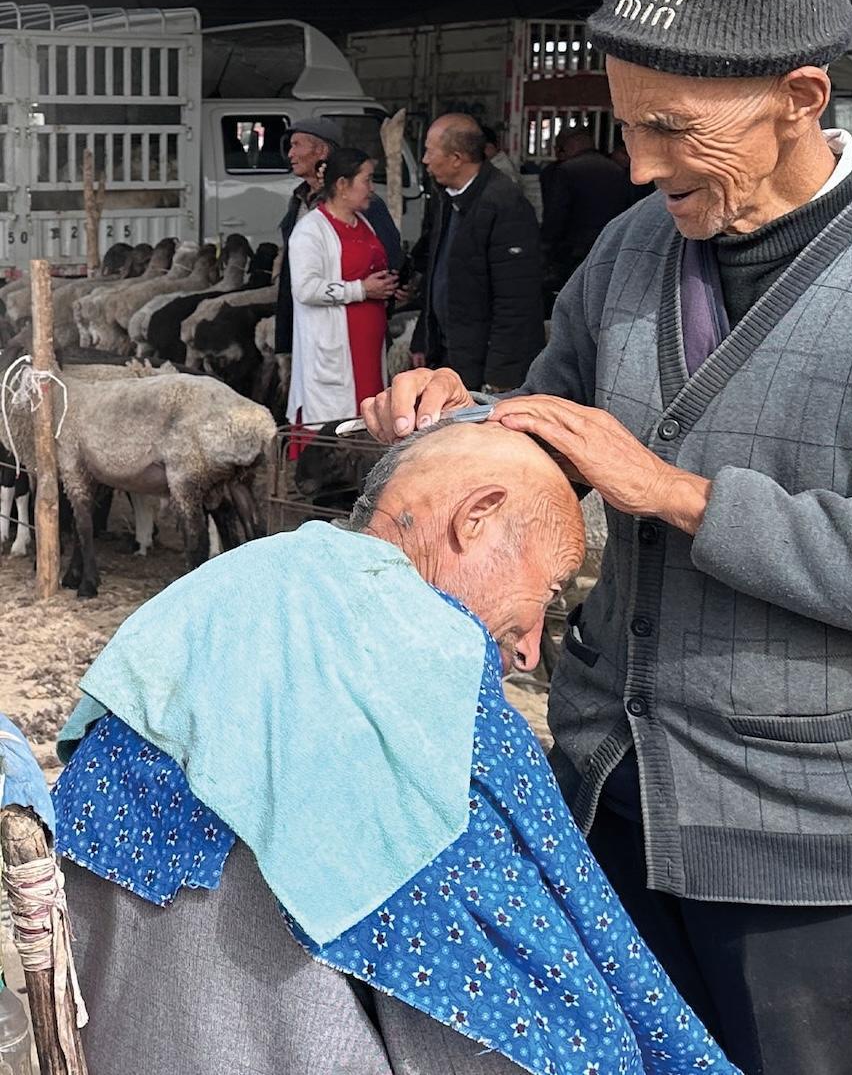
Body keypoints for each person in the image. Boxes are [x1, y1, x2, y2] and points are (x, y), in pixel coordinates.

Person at [361, 0, 852, 1072]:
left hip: (816, 849)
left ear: (799, 99)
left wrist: (674, 493)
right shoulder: (635, 251)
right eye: (625, 122)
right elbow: (561, 425)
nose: (637, 165)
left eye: (671, 127)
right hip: (618, 799)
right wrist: (463, 426)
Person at [53, 421, 739, 1075]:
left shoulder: (222, 587)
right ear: (476, 517)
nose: (531, 645)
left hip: (122, 1026)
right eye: (550, 589)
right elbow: (547, 956)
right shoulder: (428, 652)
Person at [412, 114, 544, 392]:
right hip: (451, 353)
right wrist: (423, 340)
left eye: (429, 151)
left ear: (456, 158)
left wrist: (500, 376)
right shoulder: (446, 198)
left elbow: (516, 301)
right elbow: (439, 272)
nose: (424, 160)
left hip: (484, 365)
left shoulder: (505, 205)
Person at [286, 147, 397, 432]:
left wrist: (389, 287)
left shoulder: (365, 224)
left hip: (368, 347)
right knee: (335, 420)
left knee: (368, 413)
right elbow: (305, 289)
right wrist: (361, 290)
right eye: (367, 180)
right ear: (343, 185)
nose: (372, 189)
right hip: (334, 347)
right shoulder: (311, 230)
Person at [276, 117, 404, 356]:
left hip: (349, 326)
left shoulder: (363, 206)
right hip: (306, 324)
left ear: (321, 150)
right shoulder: (299, 201)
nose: (290, 153)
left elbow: (390, 257)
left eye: (296, 145)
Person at [540, 127, 633, 285]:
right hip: (612, 247)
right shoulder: (616, 169)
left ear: (569, 146)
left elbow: (556, 214)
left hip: (573, 251)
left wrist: (546, 246)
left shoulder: (565, 170)